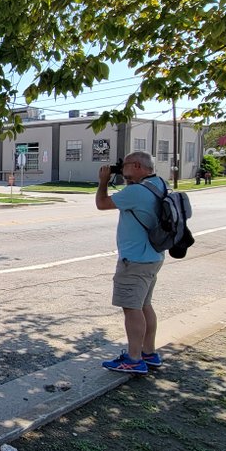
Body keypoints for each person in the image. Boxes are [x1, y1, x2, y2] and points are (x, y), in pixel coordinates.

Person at [96, 151, 165, 374]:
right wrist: (125, 178)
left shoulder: (136, 192)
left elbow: (102, 203)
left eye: (124, 165)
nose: (121, 168)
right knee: (144, 305)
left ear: (136, 166)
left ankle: (134, 359)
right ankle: (149, 352)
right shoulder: (158, 185)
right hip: (153, 256)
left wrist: (103, 181)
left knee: (132, 308)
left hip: (134, 261)